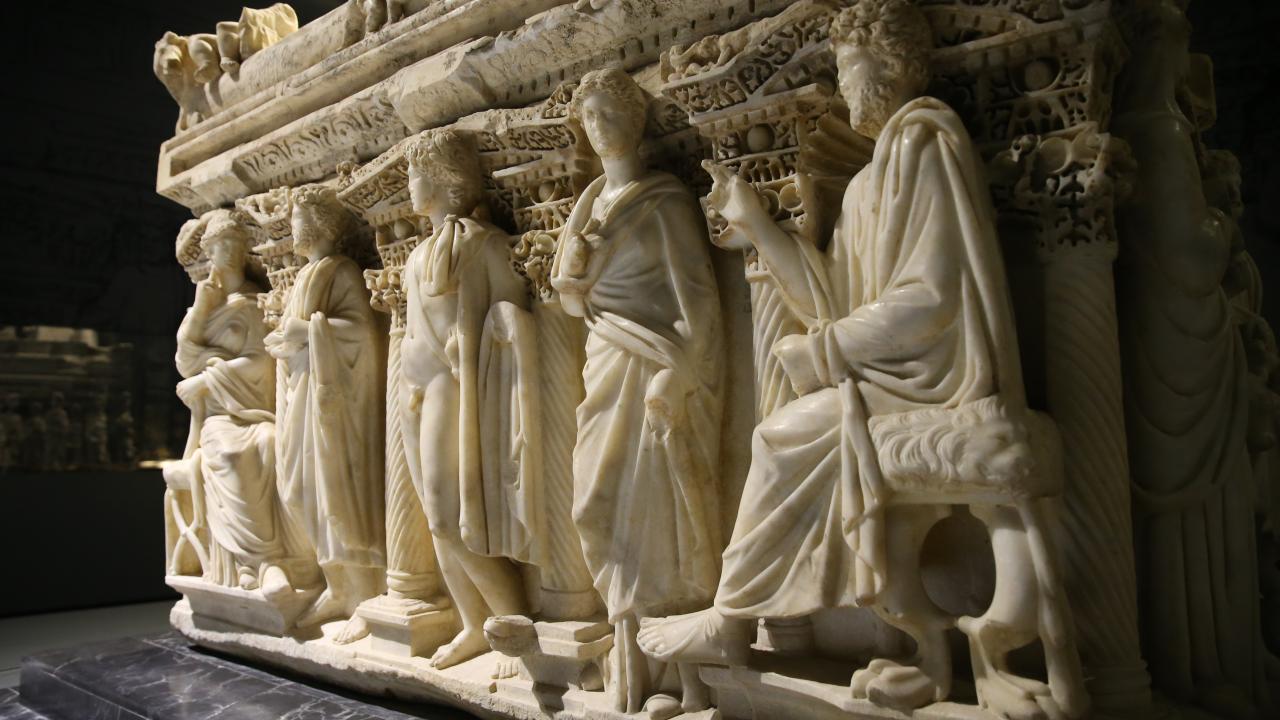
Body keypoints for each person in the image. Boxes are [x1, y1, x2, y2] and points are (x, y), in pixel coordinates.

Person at [637, 2, 1086, 718]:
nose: (845, 89)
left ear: (887, 64)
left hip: (935, 375)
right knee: (788, 432)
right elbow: (832, 298)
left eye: (849, 69)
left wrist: (825, 351)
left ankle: (733, 616)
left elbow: (929, 296)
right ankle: (903, 648)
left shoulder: (923, 139)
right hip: (893, 373)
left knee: (782, 436)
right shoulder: (872, 178)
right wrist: (757, 226)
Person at [551, 67, 725, 716]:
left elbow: (699, 299)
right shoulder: (586, 204)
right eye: (590, 116)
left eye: (610, 113)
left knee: (664, 517)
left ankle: (689, 681)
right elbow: (572, 305)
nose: (600, 126)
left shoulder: (666, 200)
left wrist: (681, 373)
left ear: (637, 119)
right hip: (605, 366)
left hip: (655, 368)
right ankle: (629, 657)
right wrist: (573, 280)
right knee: (595, 503)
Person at [397, 128, 532, 668]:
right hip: (417, 390)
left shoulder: (481, 243)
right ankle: (475, 623)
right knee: (436, 518)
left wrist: (475, 339)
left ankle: (513, 619)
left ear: (440, 180)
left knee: (448, 514)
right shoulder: (417, 256)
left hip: (455, 387)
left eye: (414, 175)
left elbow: (513, 310)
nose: (409, 186)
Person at [265, 184, 386, 633]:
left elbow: (361, 332)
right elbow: (294, 332)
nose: (292, 229)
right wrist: (286, 339)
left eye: (297, 221)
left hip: (335, 403)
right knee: (300, 490)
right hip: (301, 393)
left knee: (337, 491)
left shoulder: (341, 271)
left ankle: (364, 595)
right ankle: (336, 587)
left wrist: (304, 330)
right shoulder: (304, 276)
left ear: (318, 224)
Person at [173, 209, 304, 595]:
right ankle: (261, 564)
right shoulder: (206, 304)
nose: (229, 251)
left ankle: (280, 560)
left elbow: (260, 361)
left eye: (235, 244)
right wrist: (202, 307)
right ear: (209, 252)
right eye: (221, 245)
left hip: (251, 410)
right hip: (218, 417)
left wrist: (206, 376)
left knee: (270, 442)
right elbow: (184, 360)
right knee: (231, 453)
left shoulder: (251, 303)